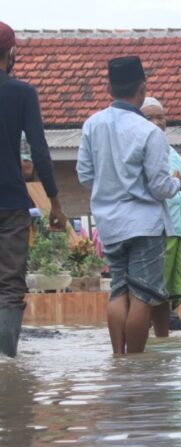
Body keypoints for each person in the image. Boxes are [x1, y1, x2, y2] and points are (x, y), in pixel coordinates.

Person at [76, 56, 181, 354]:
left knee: (118, 290)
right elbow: (161, 187)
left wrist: (109, 187)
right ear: (143, 87)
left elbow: (85, 175)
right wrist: (178, 182)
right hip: (144, 224)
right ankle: (134, 363)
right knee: (142, 296)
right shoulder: (149, 132)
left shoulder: (92, 125)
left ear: (109, 87)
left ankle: (118, 359)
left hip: (109, 223)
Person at [0, 21, 66, 357]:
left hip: (11, 203)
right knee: (10, 283)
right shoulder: (23, 93)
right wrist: (55, 202)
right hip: (11, 203)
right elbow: (39, 150)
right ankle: (4, 360)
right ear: (12, 53)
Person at [141, 96, 181, 333]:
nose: (156, 122)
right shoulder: (140, 149)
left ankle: (168, 317)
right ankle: (159, 321)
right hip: (157, 228)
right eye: (149, 117)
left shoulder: (173, 153)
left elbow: (180, 191)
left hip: (177, 228)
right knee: (156, 285)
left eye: (160, 117)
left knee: (172, 283)